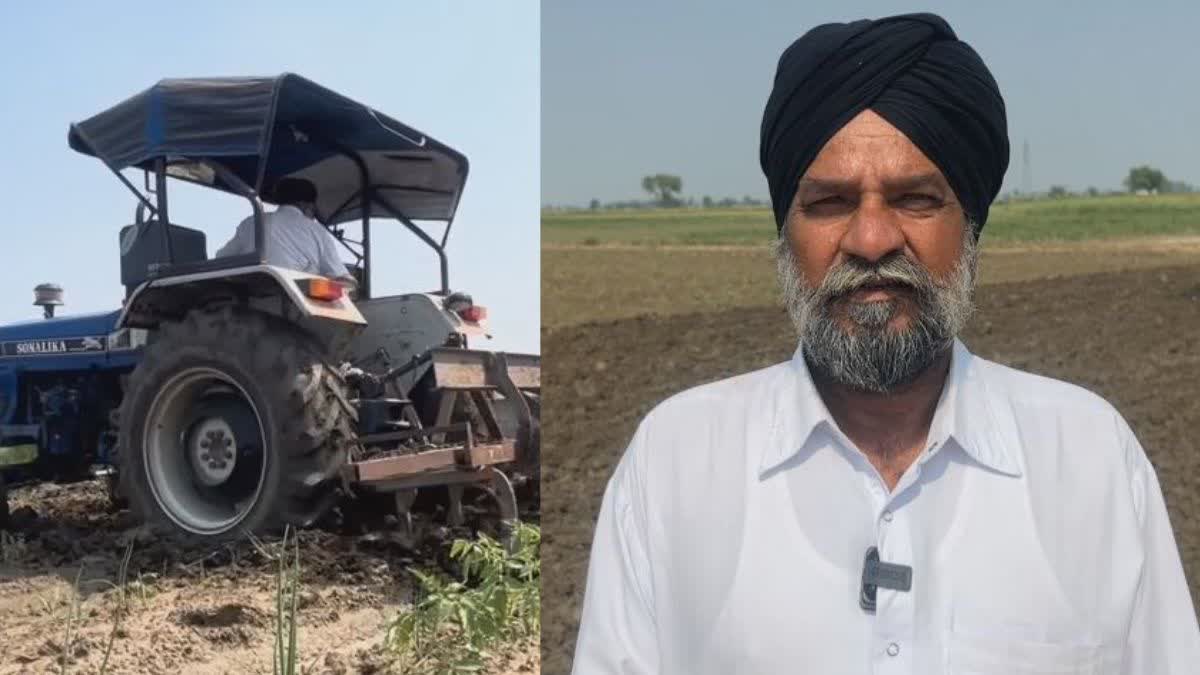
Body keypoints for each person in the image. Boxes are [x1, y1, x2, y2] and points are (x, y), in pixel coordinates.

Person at [572, 13, 1200, 675]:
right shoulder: (673, 463)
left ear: (971, 227)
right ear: (786, 232)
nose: (872, 240)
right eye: (832, 201)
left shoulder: (1090, 458)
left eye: (915, 198)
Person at [216, 177, 358, 292]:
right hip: (297, 297)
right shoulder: (316, 230)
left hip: (251, 294)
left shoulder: (250, 222)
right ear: (306, 205)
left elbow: (222, 258)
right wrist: (351, 282)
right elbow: (340, 277)